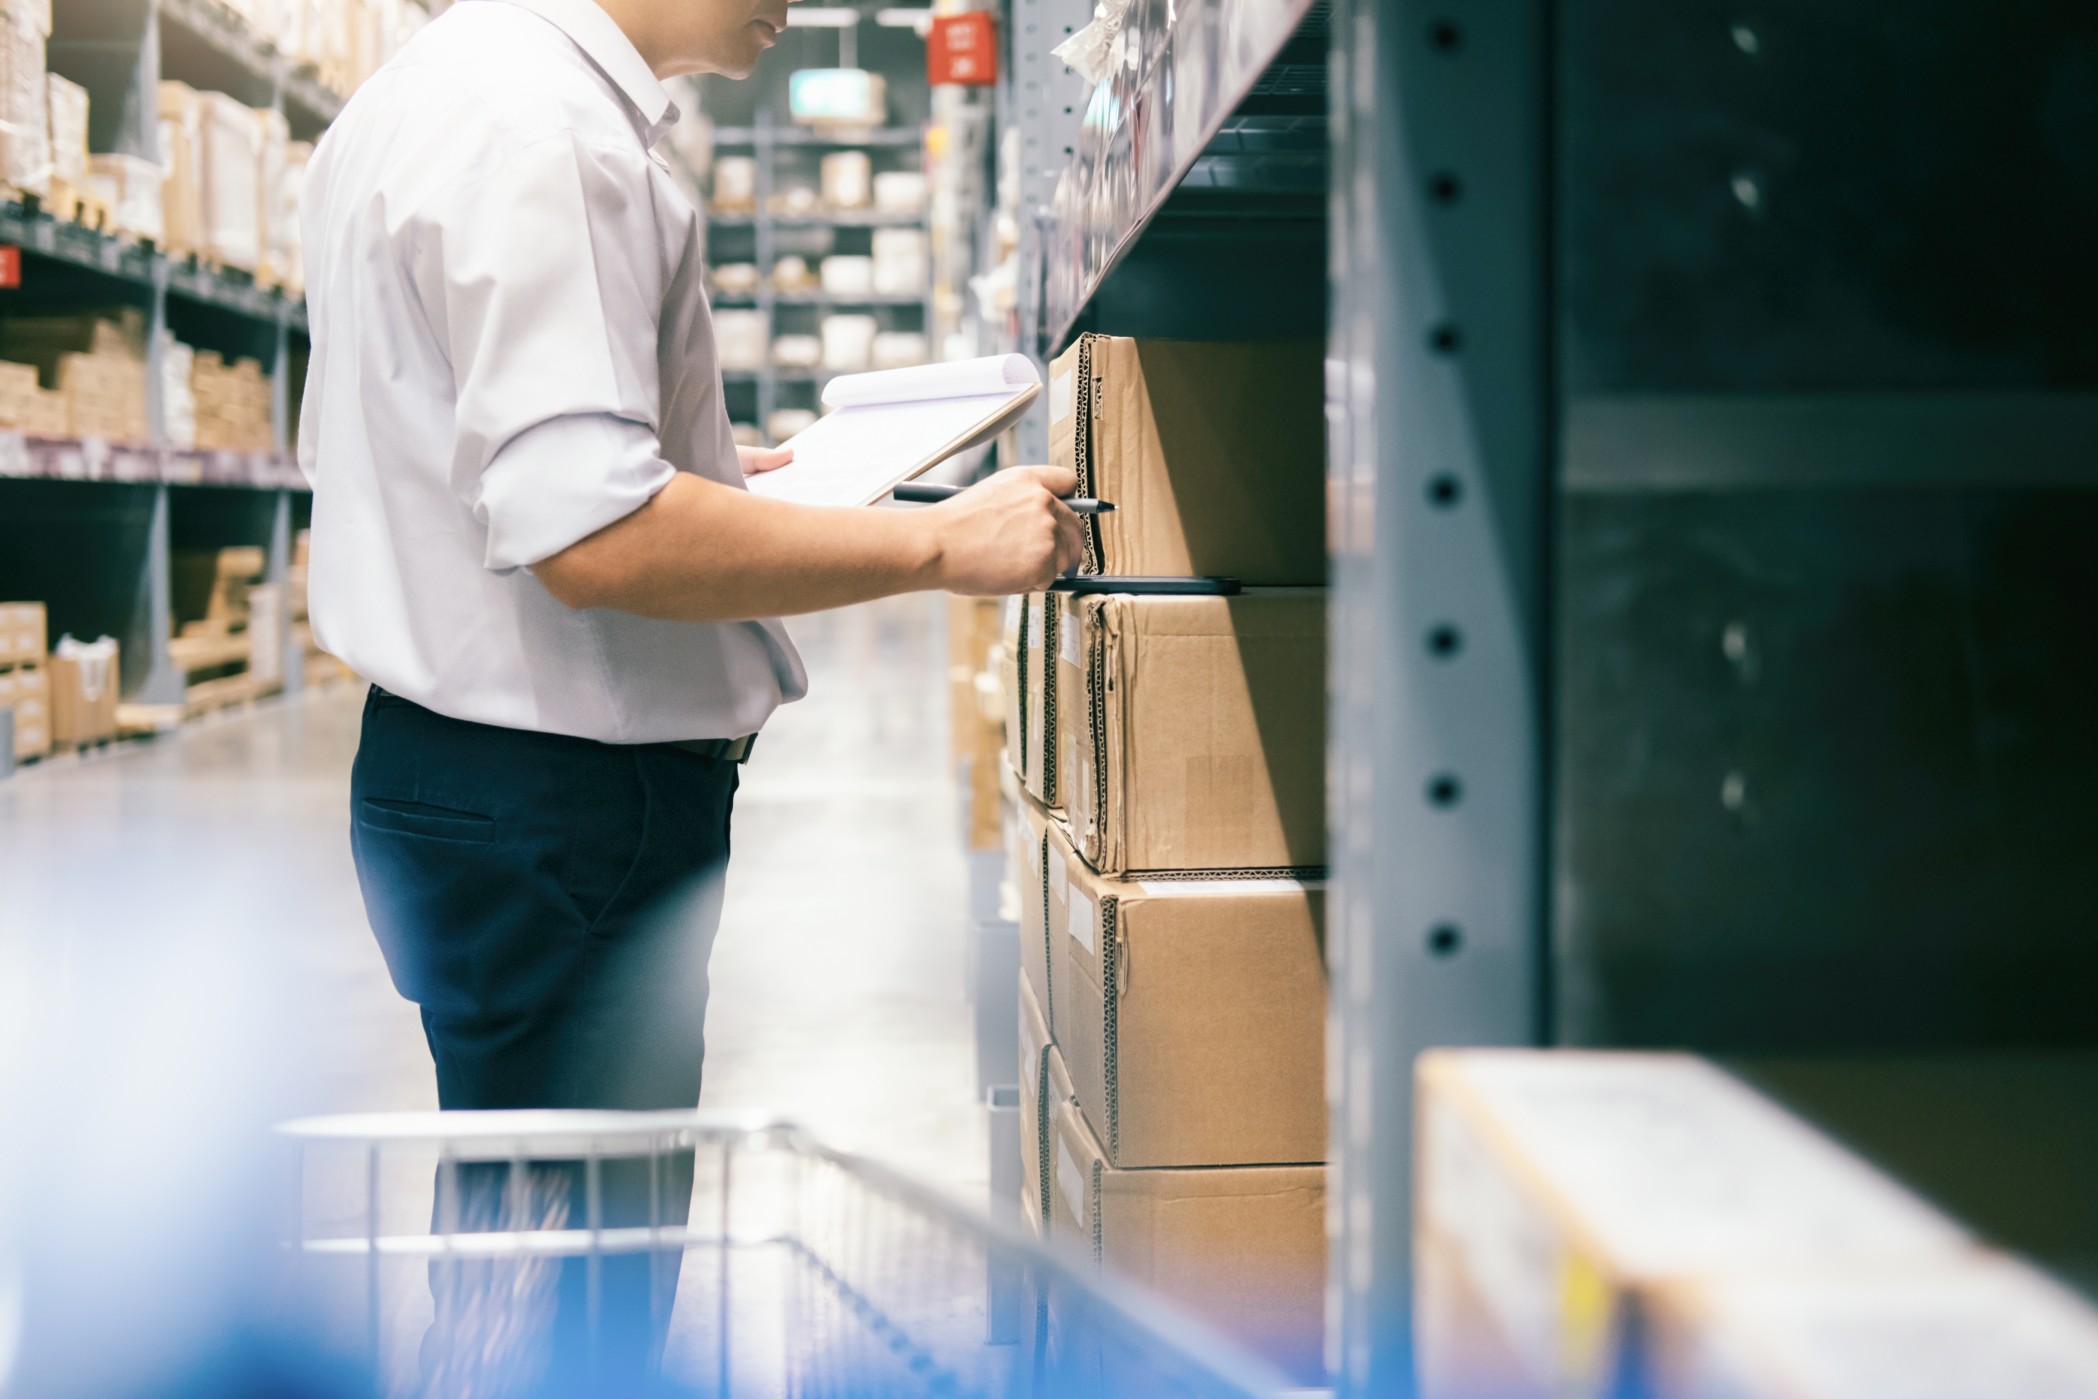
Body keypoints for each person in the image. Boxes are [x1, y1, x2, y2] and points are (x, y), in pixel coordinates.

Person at [297, 0, 1080, 1383]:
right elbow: (592, 540)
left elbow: (489, 449)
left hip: (470, 777)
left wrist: (701, 467)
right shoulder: (547, 134)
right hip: (562, 806)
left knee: (516, 1262)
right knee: (573, 1296)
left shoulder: (439, 87)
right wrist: (940, 544)